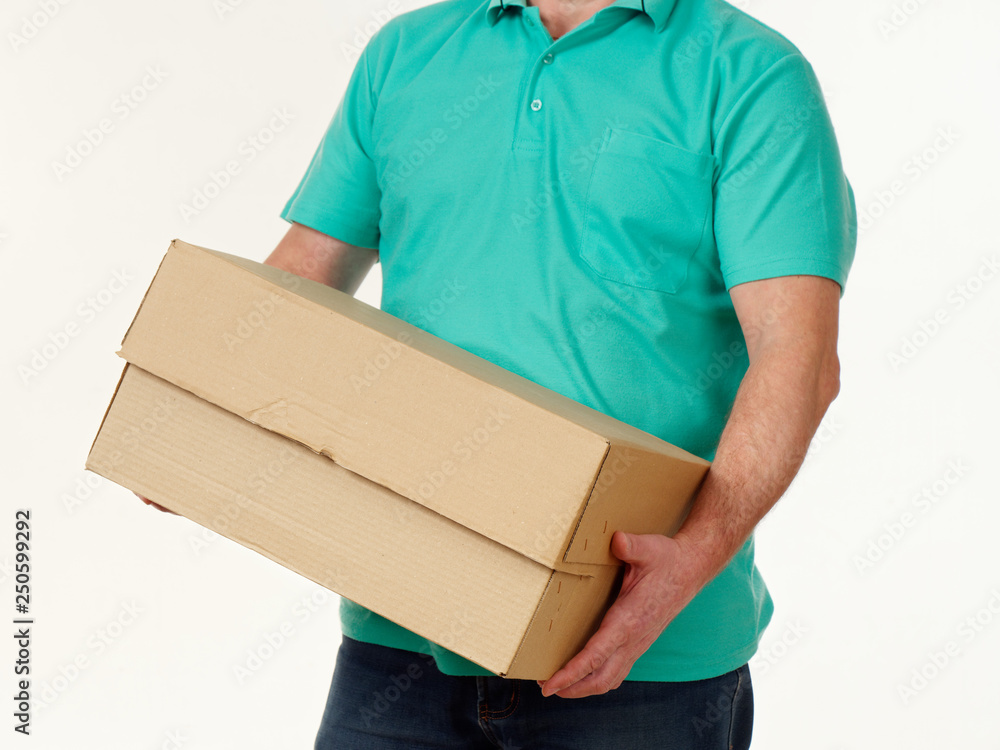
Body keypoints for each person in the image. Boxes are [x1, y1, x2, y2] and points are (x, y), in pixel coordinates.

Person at [147, 0, 856, 746]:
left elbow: (798, 358)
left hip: (639, 651)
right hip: (401, 632)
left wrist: (690, 562)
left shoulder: (749, 74)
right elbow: (306, 276)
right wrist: (196, 409)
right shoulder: (407, 53)